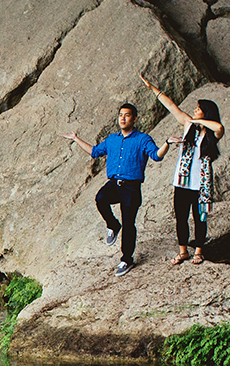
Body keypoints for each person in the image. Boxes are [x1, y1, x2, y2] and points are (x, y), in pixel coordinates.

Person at [62, 103, 166, 277]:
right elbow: (94, 152)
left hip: (131, 187)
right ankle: (112, 225)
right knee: (100, 198)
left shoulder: (142, 139)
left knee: (129, 224)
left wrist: (167, 144)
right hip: (114, 184)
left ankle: (126, 259)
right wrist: (76, 138)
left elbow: (156, 156)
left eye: (127, 115)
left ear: (135, 118)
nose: (123, 118)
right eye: (120, 115)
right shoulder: (112, 139)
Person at [142, 76, 224, 266]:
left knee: (200, 217)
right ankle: (183, 251)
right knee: (181, 217)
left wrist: (201, 121)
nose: (194, 111)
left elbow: (219, 126)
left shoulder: (212, 134)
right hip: (182, 181)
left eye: (198, 108)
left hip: (201, 184)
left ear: (206, 112)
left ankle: (199, 251)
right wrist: (153, 88)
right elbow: (171, 106)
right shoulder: (189, 125)